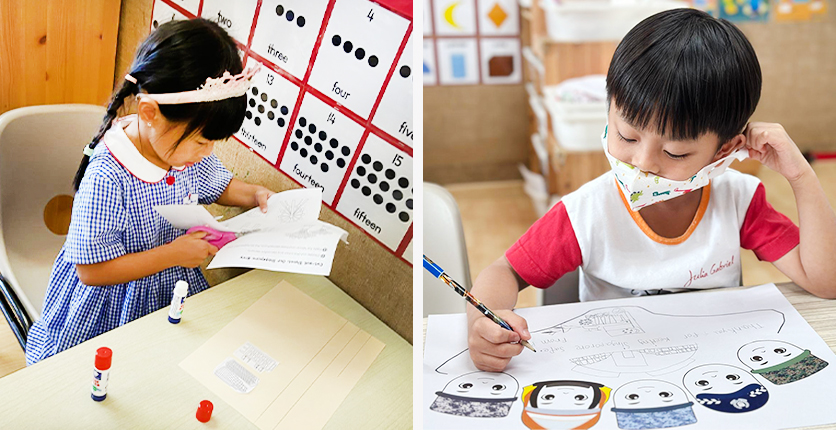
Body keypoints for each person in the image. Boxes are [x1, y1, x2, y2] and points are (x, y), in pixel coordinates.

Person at [466, 8, 836, 372]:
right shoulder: (587, 212)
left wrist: (801, 177)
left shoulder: (739, 201)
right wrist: (486, 323)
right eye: (626, 135)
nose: (643, 162)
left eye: (675, 152)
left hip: (711, 366)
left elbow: (826, 282)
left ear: (724, 150)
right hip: (617, 368)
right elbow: (503, 272)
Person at [26, 18, 273, 364]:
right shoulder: (108, 176)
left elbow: (220, 185)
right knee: (99, 374)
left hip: (166, 286)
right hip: (108, 304)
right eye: (202, 141)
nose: (207, 153)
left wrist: (255, 195)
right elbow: (91, 271)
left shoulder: (181, 152)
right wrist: (174, 255)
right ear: (150, 113)